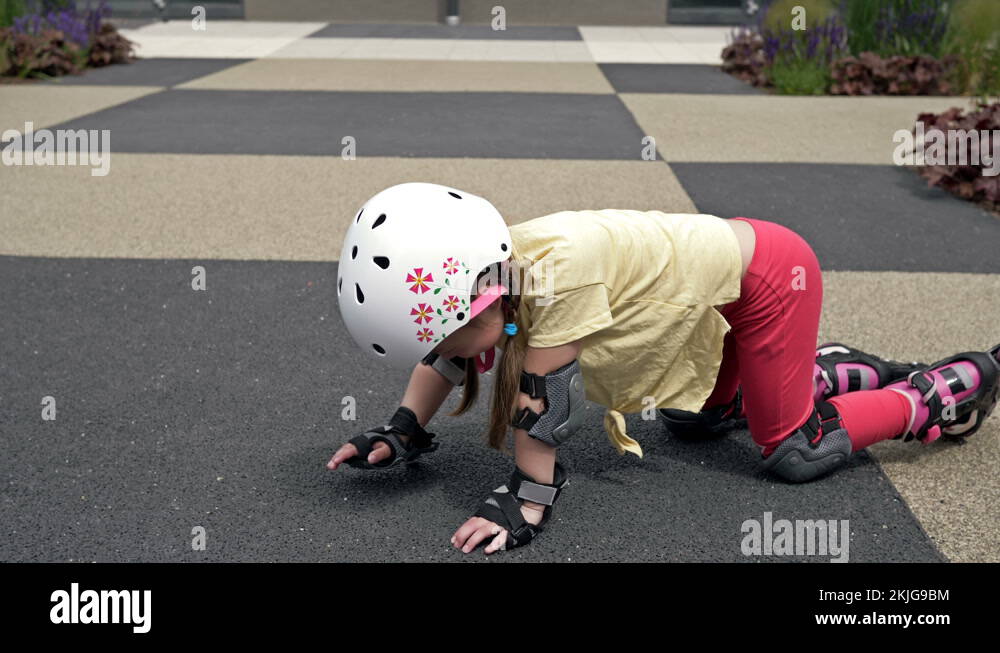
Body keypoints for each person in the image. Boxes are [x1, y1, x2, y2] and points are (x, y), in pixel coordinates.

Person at [328, 182, 1000, 555]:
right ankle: (812, 373)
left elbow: (542, 413)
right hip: (720, 292)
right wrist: (402, 426)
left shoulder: (553, 278)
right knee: (696, 420)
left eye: (449, 331)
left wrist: (527, 502)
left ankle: (930, 394)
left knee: (793, 450)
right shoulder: (491, 265)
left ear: (478, 292)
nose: (448, 350)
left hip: (771, 283)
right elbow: (451, 354)